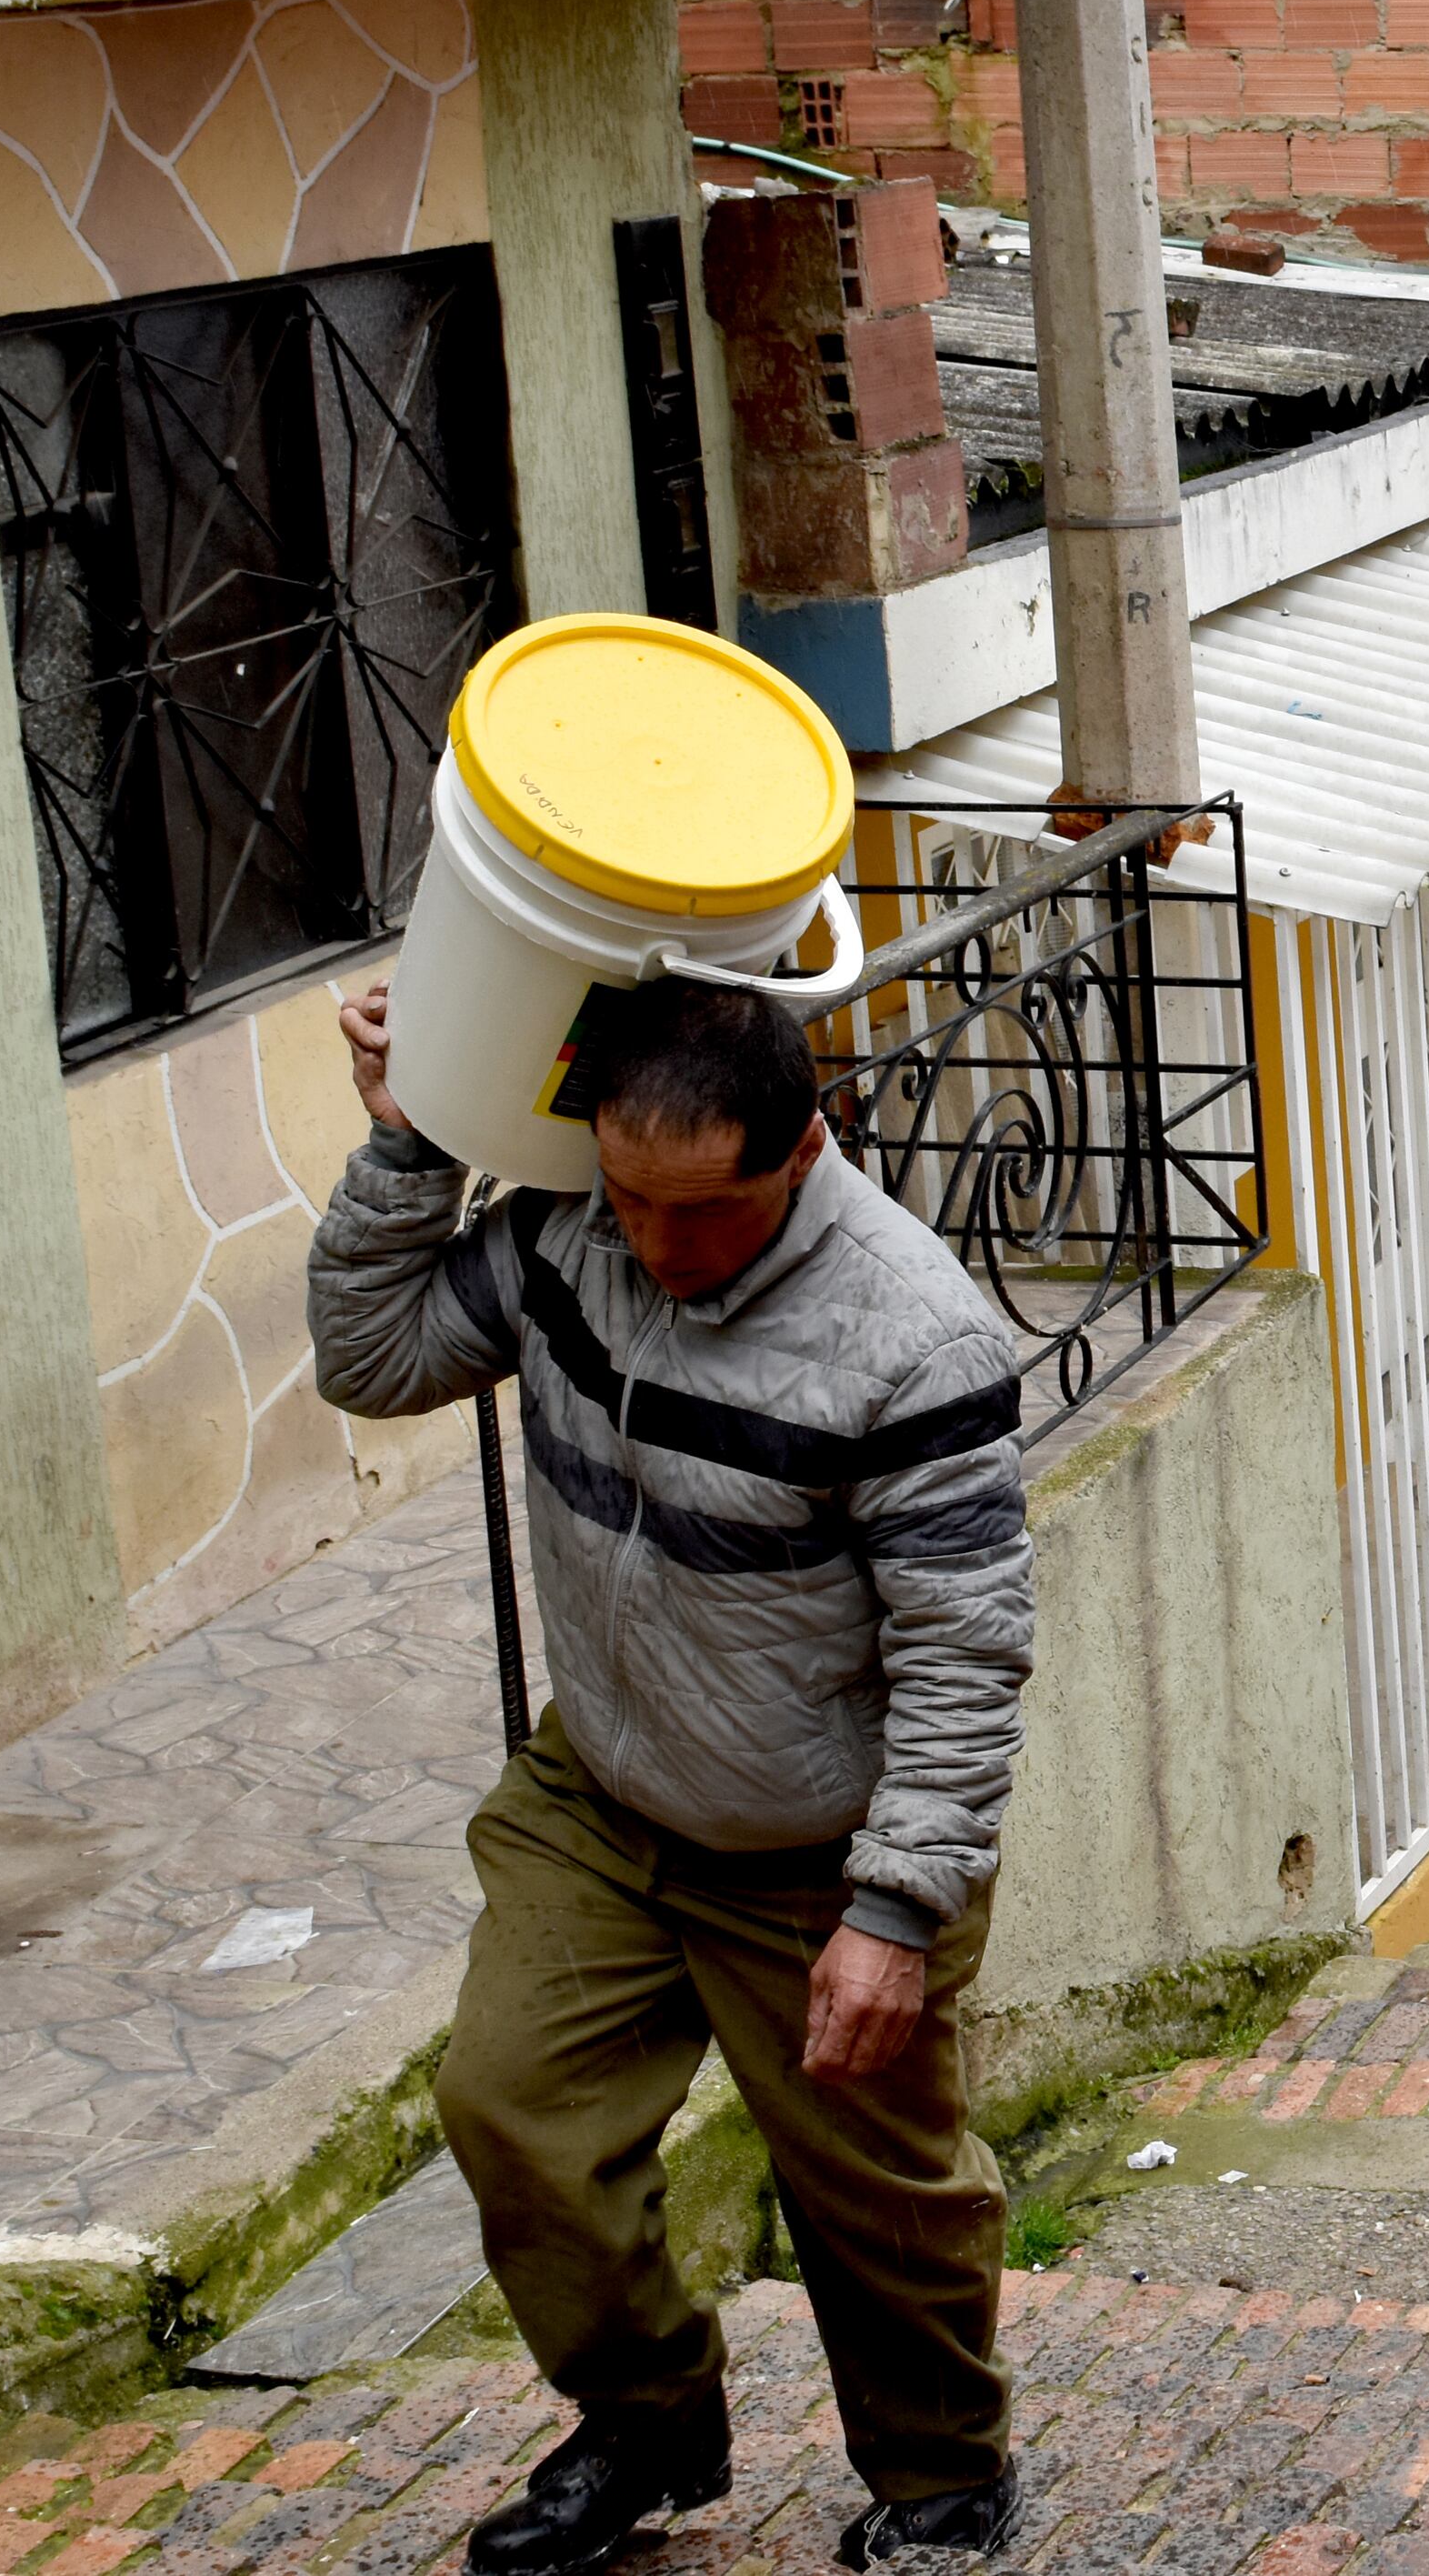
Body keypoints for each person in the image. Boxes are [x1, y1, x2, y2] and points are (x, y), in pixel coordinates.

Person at [307, 977, 1035, 2575]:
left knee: (878, 2197)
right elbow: (371, 1357)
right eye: (629, 1196)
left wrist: (896, 1911)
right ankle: (649, 2421)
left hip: (818, 1845)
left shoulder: (913, 1337)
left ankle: (945, 2471)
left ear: (803, 1148)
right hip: (604, 1791)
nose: (656, 1242)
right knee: (508, 2103)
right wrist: (411, 1145)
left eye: (702, 1210)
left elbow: (965, 1651)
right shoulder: (571, 1226)